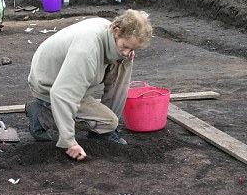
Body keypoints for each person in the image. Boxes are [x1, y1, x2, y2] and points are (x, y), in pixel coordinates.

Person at [25, 9, 153, 161]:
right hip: (49, 85)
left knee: (124, 62)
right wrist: (68, 141)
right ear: (116, 30)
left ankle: (104, 131)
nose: (127, 52)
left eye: (132, 48)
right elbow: (62, 94)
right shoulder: (87, 49)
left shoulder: (109, 32)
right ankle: (41, 115)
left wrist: (126, 53)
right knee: (109, 121)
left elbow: (121, 53)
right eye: (125, 46)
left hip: (65, 76)